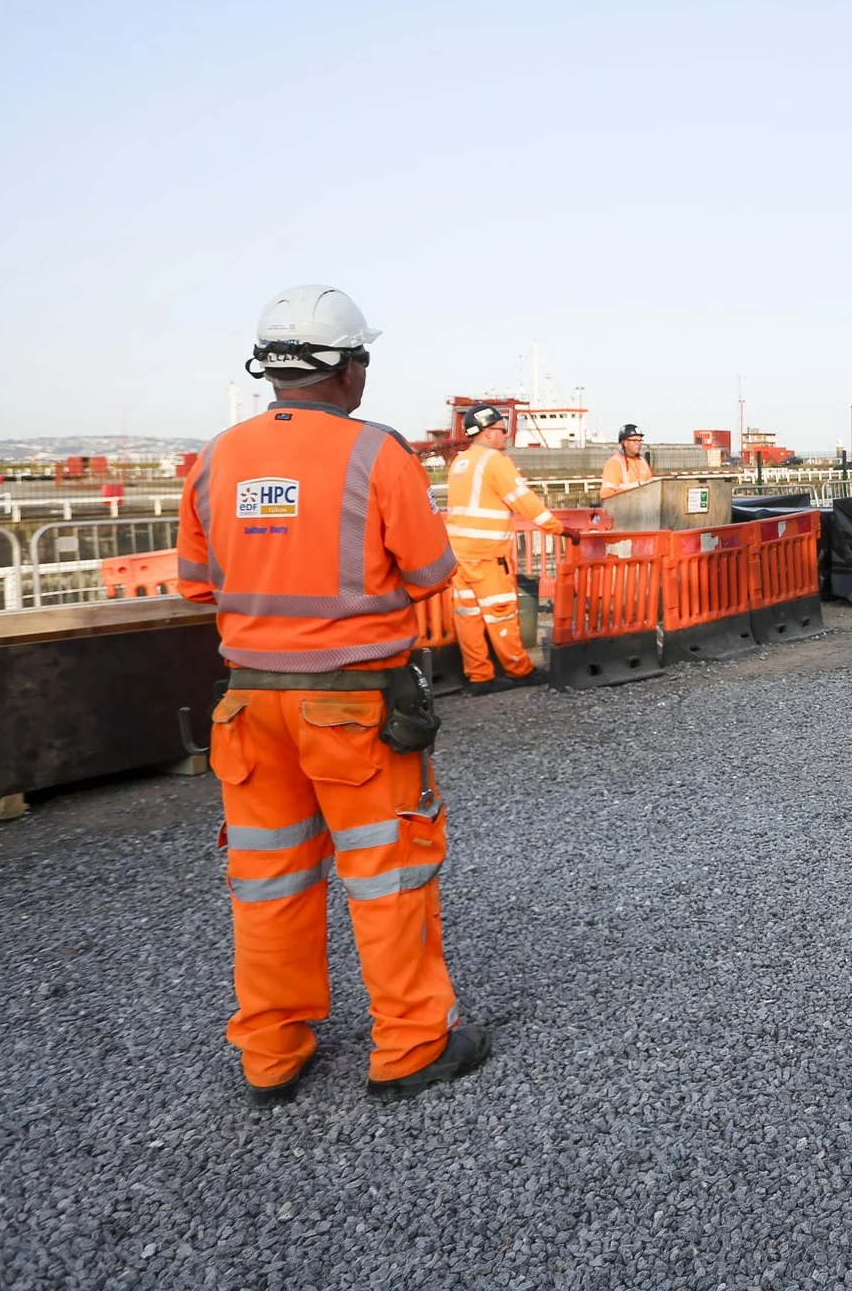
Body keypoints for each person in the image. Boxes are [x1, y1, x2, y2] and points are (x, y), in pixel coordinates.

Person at [177, 284, 490, 1105]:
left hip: (248, 710)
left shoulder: (214, 458)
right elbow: (430, 572)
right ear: (349, 369)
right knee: (388, 875)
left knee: (270, 880)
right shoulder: (376, 455)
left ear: (273, 369)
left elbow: (196, 584)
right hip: (355, 708)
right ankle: (410, 1046)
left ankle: (272, 1053)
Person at [444, 405, 577, 691]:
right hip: (487, 552)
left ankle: (479, 676)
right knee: (500, 611)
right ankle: (518, 670)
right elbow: (525, 502)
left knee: (468, 614)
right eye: (502, 430)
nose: (505, 435)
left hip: (458, 552)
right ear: (489, 431)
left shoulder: (460, 462)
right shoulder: (495, 461)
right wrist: (561, 529)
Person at [599, 424, 654, 499]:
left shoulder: (643, 462)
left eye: (640, 440)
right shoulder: (614, 463)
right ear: (624, 442)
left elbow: (652, 487)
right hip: (623, 508)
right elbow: (606, 494)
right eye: (634, 440)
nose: (639, 444)